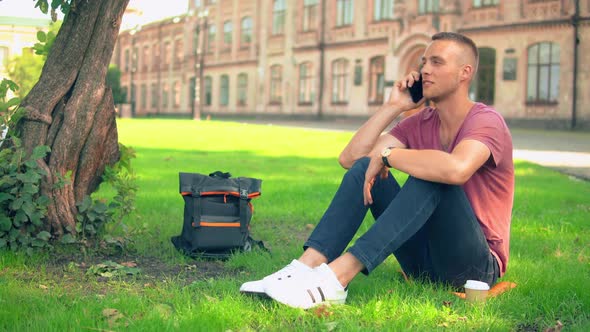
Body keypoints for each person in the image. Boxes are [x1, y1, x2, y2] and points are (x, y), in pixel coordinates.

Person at [240, 32, 514, 309]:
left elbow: (456, 170)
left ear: (464, 72)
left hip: (475, 270)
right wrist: (394, 106)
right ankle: (304, 267)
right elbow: (352, 158)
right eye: (423, 62)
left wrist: (389, 156)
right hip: (421, 261)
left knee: (432, 177)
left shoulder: (486, 121)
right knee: (365, 166)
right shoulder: (421, 121)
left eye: (437, 62)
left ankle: (336, 279)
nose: (425, 70)